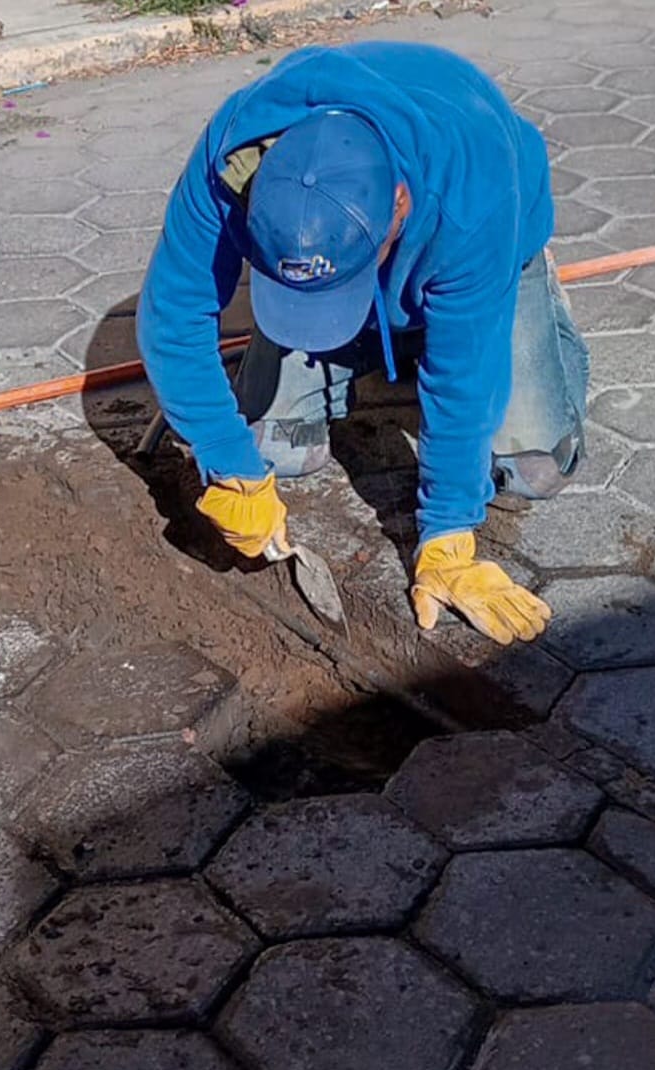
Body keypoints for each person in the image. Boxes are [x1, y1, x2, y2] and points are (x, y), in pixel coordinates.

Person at [137, 41, 590, 645]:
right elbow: (174, 314)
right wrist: (227, 460)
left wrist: (449, 535)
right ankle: (375, 335)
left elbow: (465, 376)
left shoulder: (471, 192)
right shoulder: (234, 159)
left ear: (399, 206)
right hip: (348, 260)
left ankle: (526, 298)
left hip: (490, 244)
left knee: (534, 470)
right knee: (277, 451)